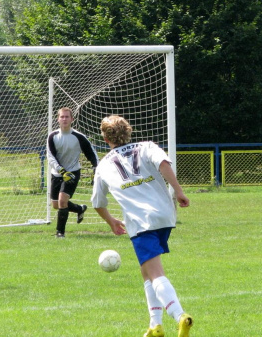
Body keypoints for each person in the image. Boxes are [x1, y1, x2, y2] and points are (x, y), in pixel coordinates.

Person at [91, 115, 193, 337]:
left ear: (106, 138)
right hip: (165, 215)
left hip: (140, 221)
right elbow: (163, 164)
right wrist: (178, 190)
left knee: (155, 273)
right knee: (146, 270)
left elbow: (98, 203)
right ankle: (155, 325)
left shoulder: (104, 165)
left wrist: (111, 221)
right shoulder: (147, 146)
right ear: (128, 131)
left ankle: (180, 316)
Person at [47, 107, 99, 238]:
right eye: (62, 117)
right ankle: (79, 209)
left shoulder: (79, 137)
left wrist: (96, 168)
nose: (64, 119)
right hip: (57, 173)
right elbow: (50, 157)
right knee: (55, 205)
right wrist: (61, 170)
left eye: (67, 117)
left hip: (73, 172)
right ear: (58, 119)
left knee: (62, 201)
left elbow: (91, 154)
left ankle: (60, 233)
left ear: (72, 119)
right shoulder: (52, 136)